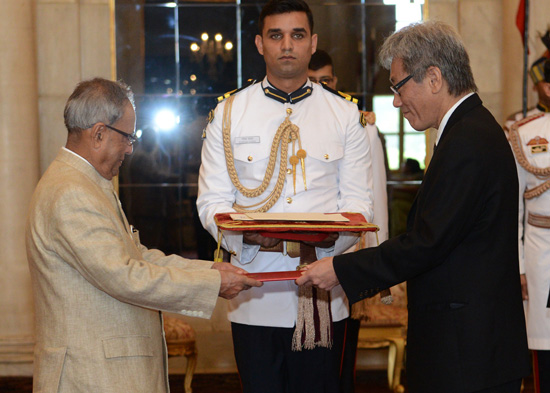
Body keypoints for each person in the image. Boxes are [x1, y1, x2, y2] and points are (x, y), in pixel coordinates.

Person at [297, 21, 531, 393]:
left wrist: (340, 268)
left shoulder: (468, 141)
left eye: (398, 85)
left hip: (467, 357)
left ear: (434, 78)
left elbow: (426, 243)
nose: (394, 100)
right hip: (469, 350)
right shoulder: (467, 130)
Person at [25, 77, 261, 393]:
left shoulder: (83, 183)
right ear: (98, 133)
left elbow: (136, 257)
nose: (131, 148)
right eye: (127, 137)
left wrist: (209, 269)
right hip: (91, 375)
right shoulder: (71, 192)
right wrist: (213, 284)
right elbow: (125, 277)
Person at [196, 0, 374, 391]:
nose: (287, 45)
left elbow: (359, 204)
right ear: (260, 44)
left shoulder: (345, 116)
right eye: (276, 36)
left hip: (324, 289)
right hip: (254, 292)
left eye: (297, 35)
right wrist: (250, 236)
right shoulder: (228, 114)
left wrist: (329, 242)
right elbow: (212, 202)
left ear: (313, 43)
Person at [308, 48, 389, 393]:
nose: (319, 87)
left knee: (340, 368)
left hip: (345, 259)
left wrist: (375, 264)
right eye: (312, 82)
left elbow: (375, 199)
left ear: (335, 80)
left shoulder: (358, 122)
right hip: (293, 260)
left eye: (325, 80)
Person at [507, 54, 550, 393]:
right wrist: (518, 266)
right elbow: (513, 210)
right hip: (542, 254)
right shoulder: (526, 134)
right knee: (544, 350)